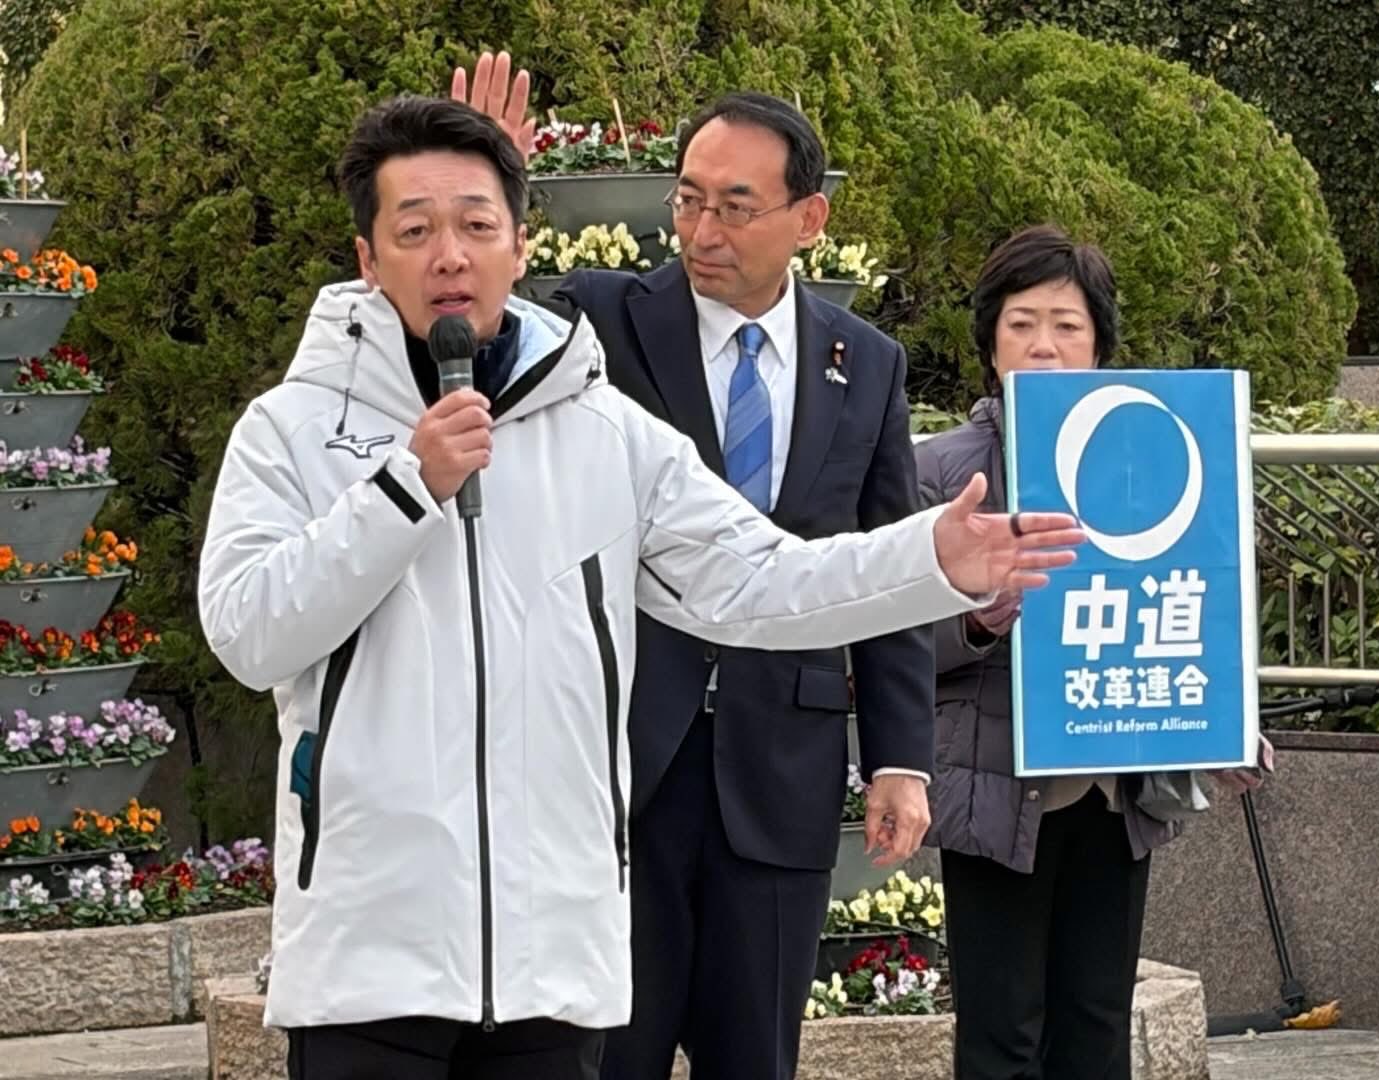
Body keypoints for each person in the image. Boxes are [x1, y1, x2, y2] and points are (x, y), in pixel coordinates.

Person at [197, 98, 1083, 1080]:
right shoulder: (292, 432)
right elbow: (249, 631)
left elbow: (761, 576)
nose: (450, 254)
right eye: (416, 229)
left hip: (551, 965)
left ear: (519, 243)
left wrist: (926, 561)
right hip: (373, 955)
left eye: (478, 224)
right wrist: (407, 490)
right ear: (366, 256)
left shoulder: (606, 434)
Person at [452, 55, 939, 1080]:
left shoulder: (867, 365)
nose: (701, 231)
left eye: (734, 206)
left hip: (783, 772)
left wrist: (900, 756)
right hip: (624, 765)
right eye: (687, 199)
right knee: (601, 1057)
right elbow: (474, 335)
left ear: (809, 219)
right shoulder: (605, 322)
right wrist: (474, 177)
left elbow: (881, 569)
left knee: (754, 1057)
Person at [915, 224, 1270, 1080]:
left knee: (1098, 1029)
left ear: (1102, 344)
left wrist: (1224, 722)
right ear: (989, 342)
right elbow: (885, 647)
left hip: (1116, 794)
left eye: (1067, 326)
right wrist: (974, 618)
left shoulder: (1151, 457)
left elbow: (1194, 601)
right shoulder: (942, 473)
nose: (1044, 345)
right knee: (1001, 1038)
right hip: (995, 795)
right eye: (1021, 322)